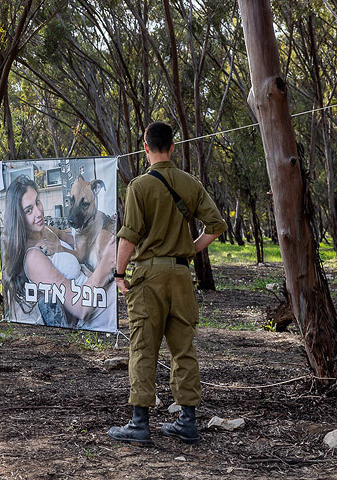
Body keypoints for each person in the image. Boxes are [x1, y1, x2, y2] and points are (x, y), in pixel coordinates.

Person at [108, 122, 227, 446]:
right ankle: (187, 421)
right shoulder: (190, 183)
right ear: (172, 147)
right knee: (183, 349)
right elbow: (216, 225)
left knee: (143, 348)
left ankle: (139, 424)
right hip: (181, 277)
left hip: (148, 278)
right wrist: (189, 248)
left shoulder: (139, 186)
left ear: (145, 147)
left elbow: (129, 237)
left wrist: (119, 275)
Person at [2, 175, 115, 330]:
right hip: (97, 311)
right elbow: (80, 308)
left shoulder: (46, 230)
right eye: (29, 210)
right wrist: (107, 261)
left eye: (37, 202)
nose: (39, 213)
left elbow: (76, 239)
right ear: (18, 217)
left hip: (105, 292)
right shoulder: (34, 257)